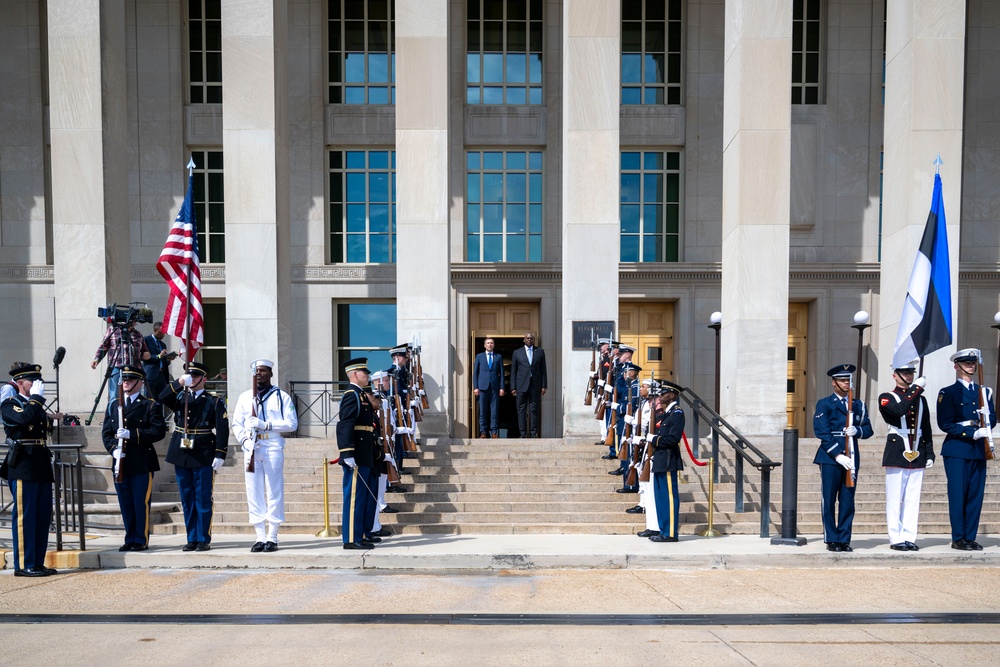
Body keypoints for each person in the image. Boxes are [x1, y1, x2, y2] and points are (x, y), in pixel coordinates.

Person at [158, 361, 229, 552]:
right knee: (187, 498)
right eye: (190, 376)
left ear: (204, 379)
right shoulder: (180, 395)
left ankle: (202, 538)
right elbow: (161, 397)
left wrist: (220, 453)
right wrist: (179, 382)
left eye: (195, 377)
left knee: (203, 497)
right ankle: (191, 537)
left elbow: (222, 430)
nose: (192, 379)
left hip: (204, 451)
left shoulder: (213, 401)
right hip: (181, 453)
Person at [231, 359, 299, 553]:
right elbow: (237, 423)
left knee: (274, 489)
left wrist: (266, 425)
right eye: (256, 371)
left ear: (270, 373)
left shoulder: (281, 396)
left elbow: (292, 424)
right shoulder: (245, 397)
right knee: (253, 491)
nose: (259, 374)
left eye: (263, 371)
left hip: (272, 445)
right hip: (252, 446)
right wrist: (244, 440)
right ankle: (259, 535)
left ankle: (273, 535)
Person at [1, 363, 58, 577]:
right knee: (26, 516)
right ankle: (24, 564)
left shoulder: (35, 404)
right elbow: (24, 419)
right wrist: (36, 400)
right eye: (32, 380)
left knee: (42, 516)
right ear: (20, 382)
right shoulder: (10, 404)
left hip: (40, 462)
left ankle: (37, 562)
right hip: (24, 464)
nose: (36, 384)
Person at [100, 365, 166, 551]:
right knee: (125, 502)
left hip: (141, 462)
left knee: (140, 502)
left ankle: (140, 539)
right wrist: (113, 449)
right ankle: (129, 538)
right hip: (121, 462)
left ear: (139, 383)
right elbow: (106, 433)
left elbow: (158, 431)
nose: (126, 382)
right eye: (125, 379)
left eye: (130, 379)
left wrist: (132, 434)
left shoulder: (150, 405)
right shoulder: (114, 405)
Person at [937, 348, 997, 551]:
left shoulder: (984, 392)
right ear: (957, 366)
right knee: (958, 494)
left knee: (975, 495)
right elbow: (945, 424)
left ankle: (970, 537)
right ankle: (959, 537)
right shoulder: (948, 392)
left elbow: (994, 420)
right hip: (958, 449)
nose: (970, 366)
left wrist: (987, 417)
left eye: (973, 363)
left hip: (979, 451)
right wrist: (972, 433)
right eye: (966, 363)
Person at [813, 363, 874, 553]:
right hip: (831, 457)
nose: (846, 383)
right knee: (829, 499)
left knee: (848, 500)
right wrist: (837, 455)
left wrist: (858, 431)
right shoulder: (825, 403)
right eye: (842, 380)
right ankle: (831, 538)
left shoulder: (858, 405)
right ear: (834, 383)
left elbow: (869, 429)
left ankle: (844, 538)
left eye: (848, 380)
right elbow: (822, 432)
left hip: (852, 455)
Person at [877, 360, 935, 551]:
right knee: (895, 497)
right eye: (904, 373)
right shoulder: (887, 397)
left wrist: (929, 453)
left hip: (917, 448)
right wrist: (916, 388)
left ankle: (909, 536)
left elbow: (925, 427)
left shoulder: (920, 399)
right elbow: (899, 410)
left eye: (911, 373)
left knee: (912, 497)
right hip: (897, 449)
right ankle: (895, 537)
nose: (909, 376)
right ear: (895, 375)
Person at [336, 358, 382, 550]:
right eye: (365, 373)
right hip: (356, 453)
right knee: (354, 497)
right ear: (355, 374)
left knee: (363, 496)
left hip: (366, 452)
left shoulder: (361, 395)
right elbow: (345, 424)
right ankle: (351, 539)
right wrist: (347, 452)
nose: (368, 376)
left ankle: (361, 533)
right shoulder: (351, 395)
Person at [645, 381, 685, 542]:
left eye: (663, 394)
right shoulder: (667, 414)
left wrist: (654, 439)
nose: (660, 397)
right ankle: (663, 530)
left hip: (669, 460)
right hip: (661, 459)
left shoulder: (677, 413)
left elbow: (673, 438)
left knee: (668, 497)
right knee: (660, 498)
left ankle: (670, 533)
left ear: (672, 395)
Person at [91, 321, 151, 402]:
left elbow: (144, 351)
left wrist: (147, 354)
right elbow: (103, 347)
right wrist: (97, 359)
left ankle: (131, 413)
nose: (132, 325)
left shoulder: (138, 334)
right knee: (115, 397)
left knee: (134, 395)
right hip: (116, 367)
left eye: (133, 323)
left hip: (134, 369)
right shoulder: (113, 330)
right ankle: (114, 414)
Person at [510, 332, 547, 438]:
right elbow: (514, 371)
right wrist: (513, 387)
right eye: (527, 338)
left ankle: (533, 432)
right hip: (521, 385)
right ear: (524, 340)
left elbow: (543, 370)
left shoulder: (540, 351)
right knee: (521, 409)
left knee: (534, 409)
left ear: (533, 340)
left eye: (531, 338)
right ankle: (522, 433)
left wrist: (544, 385)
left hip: (535, 385)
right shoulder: (517, 353)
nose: (529, 340)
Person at [473, 337, 505, 438]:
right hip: (482, 387)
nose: (490, 345)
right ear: (484, 345)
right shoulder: (479, 356)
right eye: (488, 343)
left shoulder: (498, 357)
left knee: (494, 411)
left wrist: (502, 387)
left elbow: (502, 374)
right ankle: (483, 432)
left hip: (495, 387)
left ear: (494, 345)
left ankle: (494, 432)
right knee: (483, 411)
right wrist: (475, 387)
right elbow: (475, 373)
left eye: (491, 343)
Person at [142, 322, 175, 400]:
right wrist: (159, 356)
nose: (163, 334)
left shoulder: (163, 344)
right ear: (155, 330)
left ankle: (159, 412)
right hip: (151, 374)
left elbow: (162, 361)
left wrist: (168, 359)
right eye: (161, 332)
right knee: (149, 398)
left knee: (161, 398)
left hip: (162, 375)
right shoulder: (146, 340)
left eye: (164, 332)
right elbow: (144, 356)